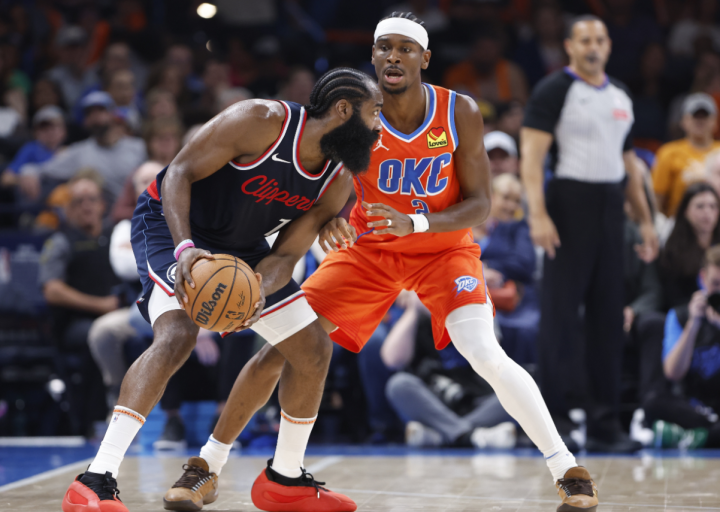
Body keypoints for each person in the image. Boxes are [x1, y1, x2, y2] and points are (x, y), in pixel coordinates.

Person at [176, 13, 600, 512]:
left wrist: (414, 222)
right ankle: (207, 467)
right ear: (373, 56)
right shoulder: (356, 115)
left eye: (404, 48)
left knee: (484, 352)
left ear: (425, 58)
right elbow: (326, 188)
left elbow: (481, 205)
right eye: (383, 47)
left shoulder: (458, 111)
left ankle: (567, 469)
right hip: (369, 252)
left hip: (443, 249)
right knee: (282, 349)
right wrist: (328, 220)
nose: (393, 56)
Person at [61, 66, 384, 512]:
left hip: (243, 250)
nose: (380, 126)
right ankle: (95, 479)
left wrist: (256, 290)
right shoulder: (260, 121)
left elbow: (286, 255)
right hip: (171, 224)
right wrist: (185, 249)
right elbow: (178, 173)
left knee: (312, 348)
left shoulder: (337, 178)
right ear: (344, 110)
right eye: (375, 113)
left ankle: (285, 478)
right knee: (178, 335)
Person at [520, 15, 658, 453]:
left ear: (609, 45)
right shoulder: (554, 89)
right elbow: (531, 158)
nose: (593, 47)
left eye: (599, 39)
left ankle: (605, 426)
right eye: (584, 40)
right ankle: (552, 426)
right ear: (570, 46)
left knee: (607, 319)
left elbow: (629, 163)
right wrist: (538, 214)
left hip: (611, 208)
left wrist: (646, 220)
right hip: (568, 204)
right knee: (559, 319)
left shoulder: (620, 94)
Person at [39, 172, 122, 433]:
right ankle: (93, 422)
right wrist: (101, 305)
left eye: (92, 199)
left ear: (102, 205)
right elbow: (52, 290)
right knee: (96, 337)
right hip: (76, 323)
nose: (86, 206)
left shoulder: (116, 237)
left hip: (117, 316)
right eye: (78, 201)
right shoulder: (61, 241)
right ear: (68, 209)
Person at [383, 291, 516, 449]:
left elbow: (489, 355)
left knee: (522, 387)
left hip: (476, 399)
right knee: (398, 384)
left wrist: (445, 314)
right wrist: (413, 311)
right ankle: (474, 436)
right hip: (432, 403)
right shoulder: (413, 308)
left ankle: (443, 435)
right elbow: (393, 360)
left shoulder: (479, 301)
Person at [646, 245, 720, 449]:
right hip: (693, 406)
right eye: (715, 284)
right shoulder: (680, 316)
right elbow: (673, 373)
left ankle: (691, 437)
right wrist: (693, 325)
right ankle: (707, 434)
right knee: (653, 402)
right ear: (703, 278)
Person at [19, 91, 147, 205]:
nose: (95, 117)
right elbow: (43, 170)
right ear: (85, 120)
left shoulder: (138, 147)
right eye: (90, 113)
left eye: (100, 110)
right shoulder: (79, 152)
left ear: (113, 115)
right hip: (99, 218)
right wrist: (29, 171)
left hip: (138, 214)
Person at [474, 174, 538, 364]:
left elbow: (525, 263)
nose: (511, 206)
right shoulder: (472, 227)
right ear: (491, 196)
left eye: (516, 201)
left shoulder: (519, 228)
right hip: (476, 295)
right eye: (506, 198)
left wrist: (490, 267)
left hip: (514, 299)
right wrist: (479, 270)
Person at [653, 93, 720, 218]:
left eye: (705, 116)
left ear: (715, 122)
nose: (700, 121)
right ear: (684, 121)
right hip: (678, 221)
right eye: (695, 116)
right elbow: (657, 197)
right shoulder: (669, 152)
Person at [659, 182, 720, 311]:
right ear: (686, 211)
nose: (707, 212)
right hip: (688, 311)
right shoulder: (673, 250)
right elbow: (671, 298)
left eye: (713, 206)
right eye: (700, 206)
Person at [443, 30, 529, 104]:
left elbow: (521, 104)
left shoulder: (511, 72)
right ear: (473, 50)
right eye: (482, 48)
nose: (485, 54)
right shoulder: (457, 74)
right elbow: (449, 107)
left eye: (490, 49)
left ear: (499, 50)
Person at [1, 106, 66, 188]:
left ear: (64, 130)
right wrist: (26, 179)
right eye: (44, 128)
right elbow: (6, 178)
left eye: (54, 127)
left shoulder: (71, 151)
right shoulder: (30, 149)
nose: (50, 132)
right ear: (35, 132)